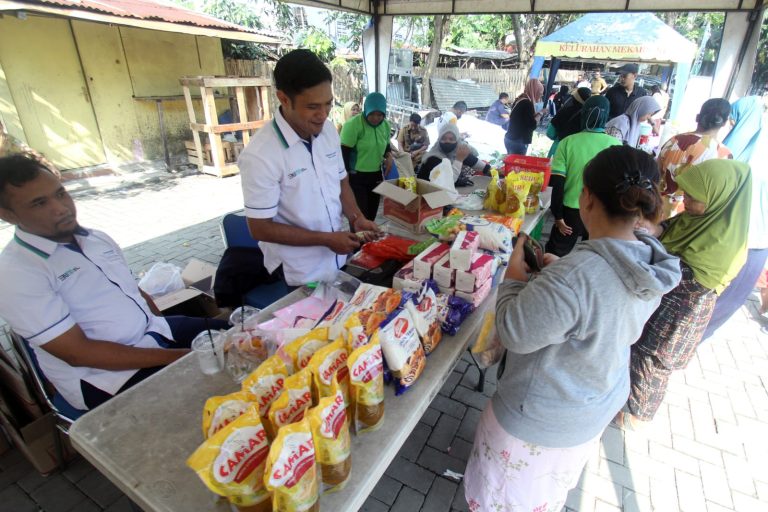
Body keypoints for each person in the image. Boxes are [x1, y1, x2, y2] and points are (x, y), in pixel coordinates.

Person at [464, 145, 681, 511]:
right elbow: (598, 301)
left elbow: (515, 330)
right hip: (590, 408)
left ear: (588, 199)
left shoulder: (575, 278)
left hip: (537, 422)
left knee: (502, 502)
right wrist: (557, 272)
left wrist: (515, 280)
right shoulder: (647, 258)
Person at [0, 155, 230, 411]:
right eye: (39, 203)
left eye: (61, 193)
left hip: (155, 334)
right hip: (105, 377)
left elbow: (135, 291)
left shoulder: (96, 239)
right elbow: (78, 354)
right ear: (7, 214)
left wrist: (166, 331)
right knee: (212, 395)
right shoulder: (16, 273)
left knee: (240, 334)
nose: (61, 208)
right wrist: (181, 357)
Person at [620, 159, 753, 429]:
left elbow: (677, 277)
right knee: (640, 352)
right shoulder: (698, 217)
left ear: (718, 197)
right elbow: (668, 229)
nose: (686, 201)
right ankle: (627, 403)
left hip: (679, 312)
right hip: (662, 301)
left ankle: (636, 416)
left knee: (653, 360)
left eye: (694, 197)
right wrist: (653, 229)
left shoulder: (720, 246)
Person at [238, 49, 379, 287]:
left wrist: (356, 218)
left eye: (328, 104)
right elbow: (260, 228)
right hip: (298, 271)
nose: (322, 115)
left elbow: (341, 181)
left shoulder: (327, 133)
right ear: (283, 99)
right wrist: (326, 239)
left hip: (336, 258)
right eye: (312, 106)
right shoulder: (260, 155)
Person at [702, 96, 768, 340]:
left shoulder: (729, 157)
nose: (730, 123)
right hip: (756, 246)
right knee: (720, 305)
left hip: (730, 241)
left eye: (734, 119)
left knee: (707, 302)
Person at [545, 96, 622, 256]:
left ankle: (548, 278)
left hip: (570, 211)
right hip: (600, 211)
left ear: (583, 114)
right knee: (590, 255)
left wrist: (558, 216)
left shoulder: (567, 142)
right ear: (606, 116)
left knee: (556, 253)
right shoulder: (616, 145)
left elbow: (558, 182)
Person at [657, 98, 732, 219]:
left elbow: (657, 171)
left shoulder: (674, 140)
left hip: (658, 207)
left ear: (699, 116)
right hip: (687, 216)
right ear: (724, 122)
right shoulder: (722, 155)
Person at [340, 92, 392, 221]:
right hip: (356, 176)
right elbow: (343, 152)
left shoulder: (385, 125)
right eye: (372, 114)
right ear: (366, 109)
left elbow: (386, 146)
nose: (376, 118)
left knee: (371, 215)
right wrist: (345, 177)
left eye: (380, 114)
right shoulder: (353, 125)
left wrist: (389, 156)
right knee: (359, 216)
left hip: (376, 175)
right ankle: (358, 241)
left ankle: (368, 241)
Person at [417, 122, 490, 184]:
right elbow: (447, 181)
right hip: (427, 192)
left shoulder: (455, 152)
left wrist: (490, 170)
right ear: (439, 140)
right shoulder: (433, 157)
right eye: (443, 138)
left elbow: (472, 160)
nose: (447, 141)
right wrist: (459, 160)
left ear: (457, 141)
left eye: (451, 139)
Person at [545, 86, 592, 158]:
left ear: (574, 99)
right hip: (578, 154)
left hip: (559, 149)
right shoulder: (590, 117)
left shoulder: (564, 111)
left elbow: (550, 133)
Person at [504, 79, 545, 156]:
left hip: (511, 138)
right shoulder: (527, 103)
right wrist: (541, 113)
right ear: (535, 91)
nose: (541, 95)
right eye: (540, 93)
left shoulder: (520, 99)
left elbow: (523, 119)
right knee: (517, 166)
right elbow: (531, 125)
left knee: (511, 163)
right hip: (518, 141)